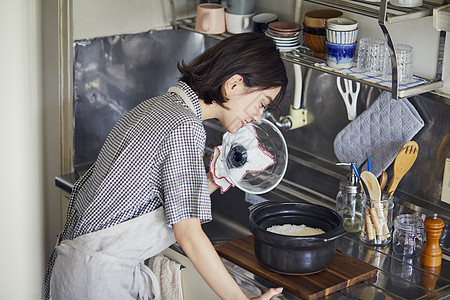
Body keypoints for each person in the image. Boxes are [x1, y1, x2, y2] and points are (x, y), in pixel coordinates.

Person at [43, 32, 288, 300]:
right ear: (234, 84)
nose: (258, 116)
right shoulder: (186, 126)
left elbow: (159, 192)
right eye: (261, 103)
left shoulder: (162, 106)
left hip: (82, 269)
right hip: (98, 281)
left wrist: (218, 175)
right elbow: (189, 234)